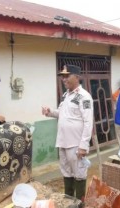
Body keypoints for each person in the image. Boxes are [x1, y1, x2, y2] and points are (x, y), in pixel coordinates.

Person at [42, 64, 93, 204]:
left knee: (79, 174)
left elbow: (88, 122)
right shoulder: (66, 95)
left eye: (67, 76)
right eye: (62, 76)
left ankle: (80, 203)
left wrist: (83, 145)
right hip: (63, 142)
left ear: (77, 77)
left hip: (76, 144)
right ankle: (69, 202)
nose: (64, 79)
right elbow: (62, 113)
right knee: (66, 172)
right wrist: (50, 112)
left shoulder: (84, 97)